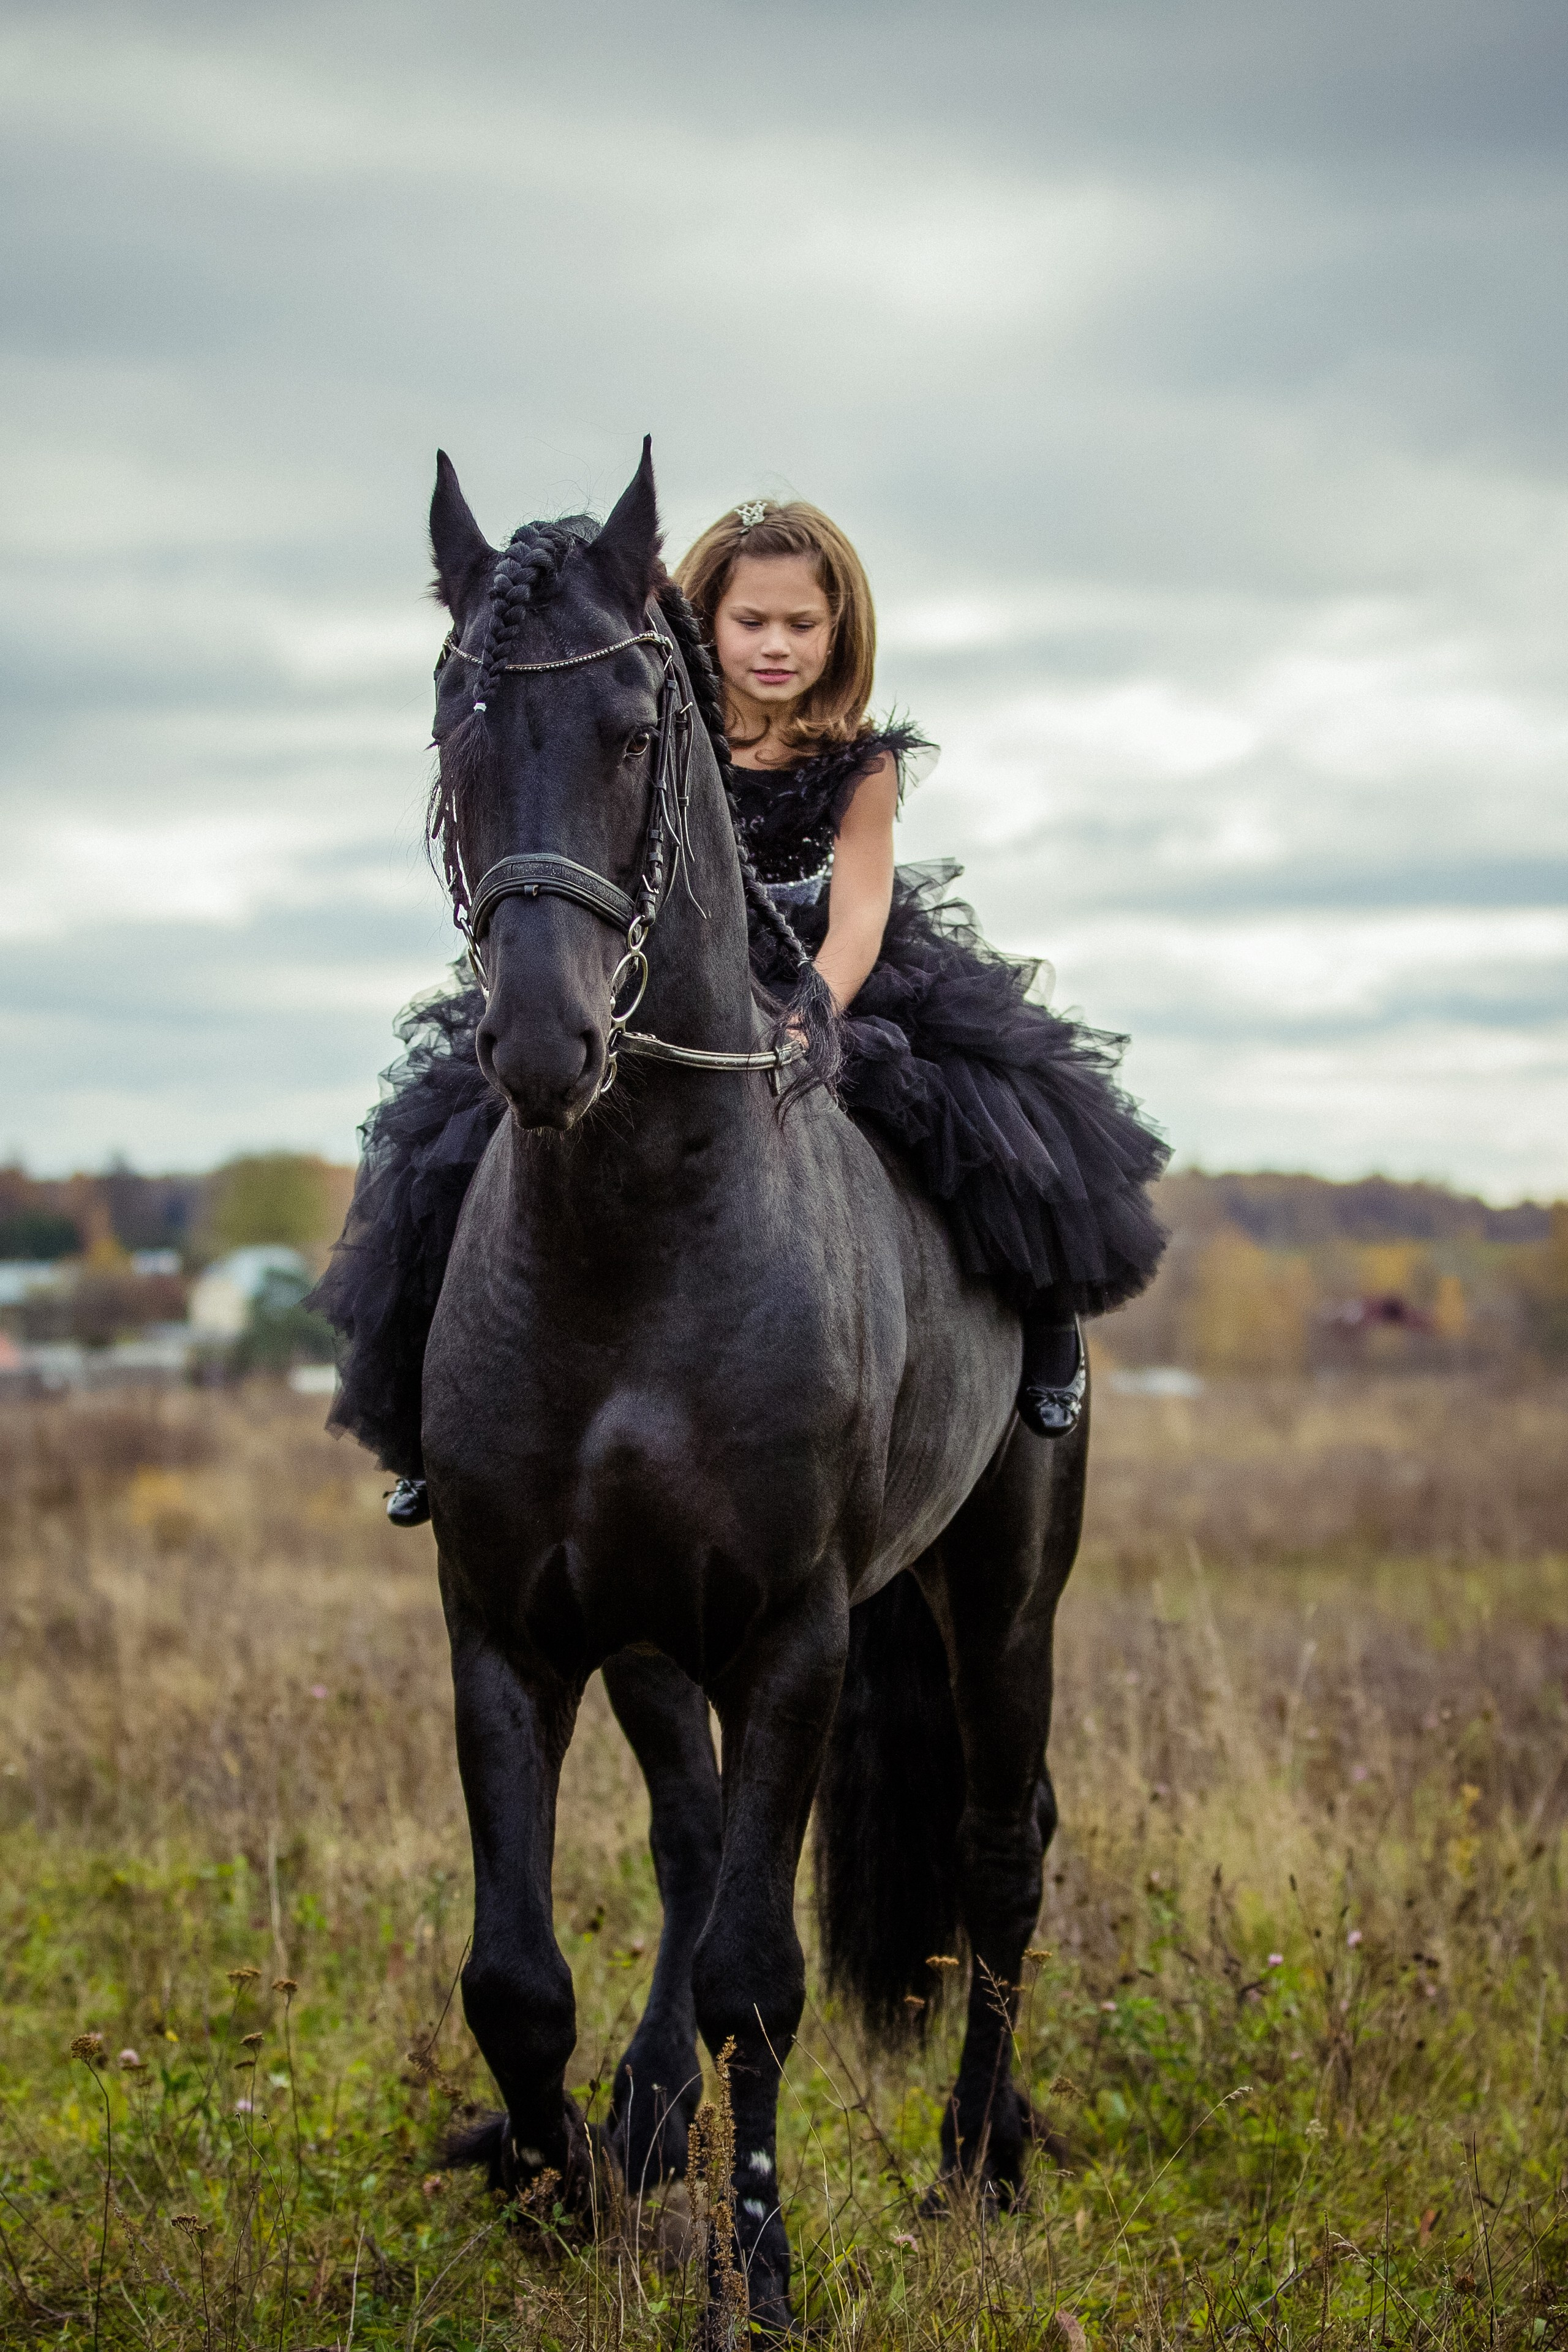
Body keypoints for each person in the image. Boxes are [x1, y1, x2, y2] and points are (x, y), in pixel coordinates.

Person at [314, 497, 1169, 1527]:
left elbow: (861, 918)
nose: (776, 646)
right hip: (661, 975)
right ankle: (430, 1423)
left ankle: (1042, 1341)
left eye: (802, 626)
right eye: (751, 621)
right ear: (704, 621)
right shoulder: (659, 723)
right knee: (441, 1147)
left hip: (830, 980)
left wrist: (818, 1013)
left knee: (1000, 1132)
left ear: (840, 633)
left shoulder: (862, 763)